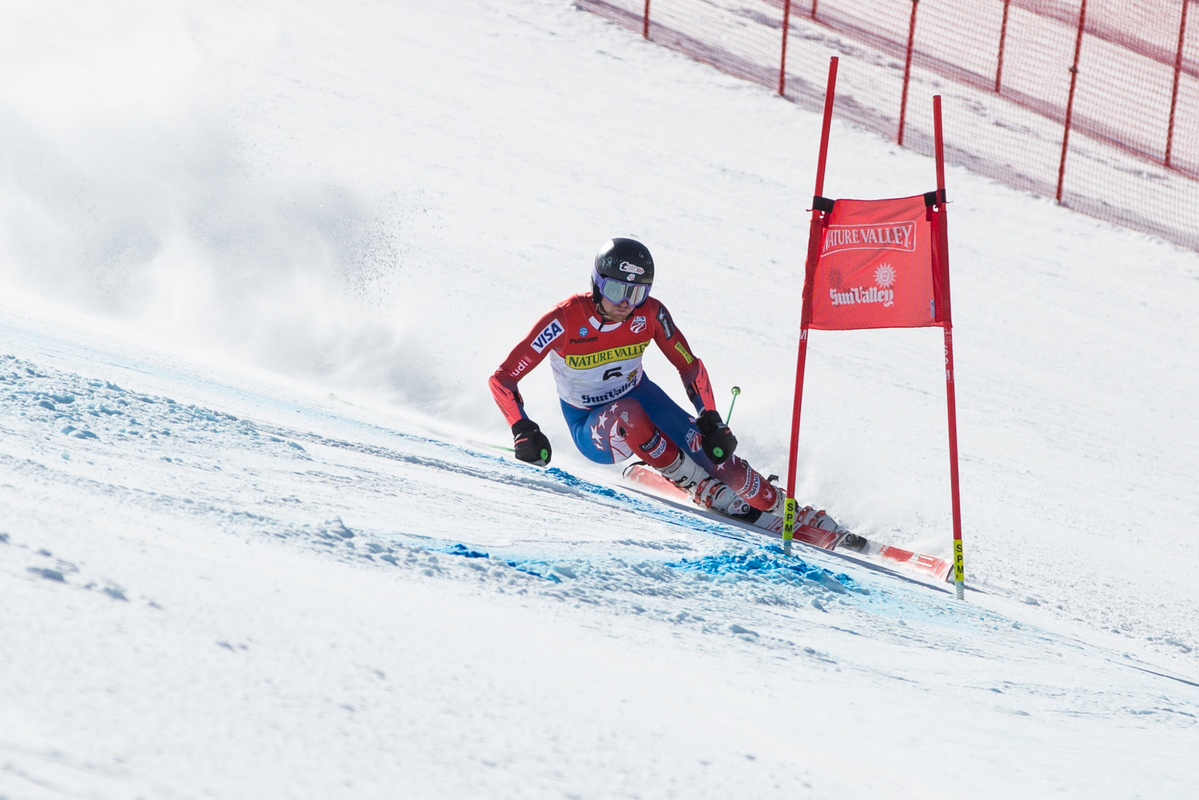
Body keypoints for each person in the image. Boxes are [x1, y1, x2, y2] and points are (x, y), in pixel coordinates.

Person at [489, 237, 785, 522]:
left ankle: (780, 506)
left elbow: (689, 365)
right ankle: (695, 482)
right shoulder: (564, 319)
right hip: (589, 422)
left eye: (637, 293)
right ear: (597, 284)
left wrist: (710, 417)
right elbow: (503, 378)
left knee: (712, 452)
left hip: (645, 399)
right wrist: (522, 428)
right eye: (617, 290)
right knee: (628, 413)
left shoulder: (651, 314)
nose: (626, 303)